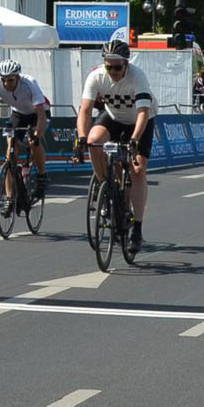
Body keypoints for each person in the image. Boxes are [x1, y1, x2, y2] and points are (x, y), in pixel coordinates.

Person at [74, 37, 156, 250]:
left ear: (126, 64)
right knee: (93, 141)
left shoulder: (138, 76)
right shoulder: (96, 76)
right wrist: (81, 137)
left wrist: (134, 140)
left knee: (138, 169)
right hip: (113, 117)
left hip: (139, 121)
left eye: (117, 67)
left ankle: (137, 228)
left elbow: (143, 112)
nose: (112, 71)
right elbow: (85, 110)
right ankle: (106, 187)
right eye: (108, 67)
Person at [0, 58, 51, 202]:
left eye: (10, 80)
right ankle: (9, 198)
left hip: (38, 113)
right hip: (18, 113)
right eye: (3, 80)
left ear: (18, 78)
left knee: (33, 142)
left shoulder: (30, 83)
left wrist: (36, 135)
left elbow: (41, 115)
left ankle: (42, 175)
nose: (6, 84)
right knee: (10, 153)